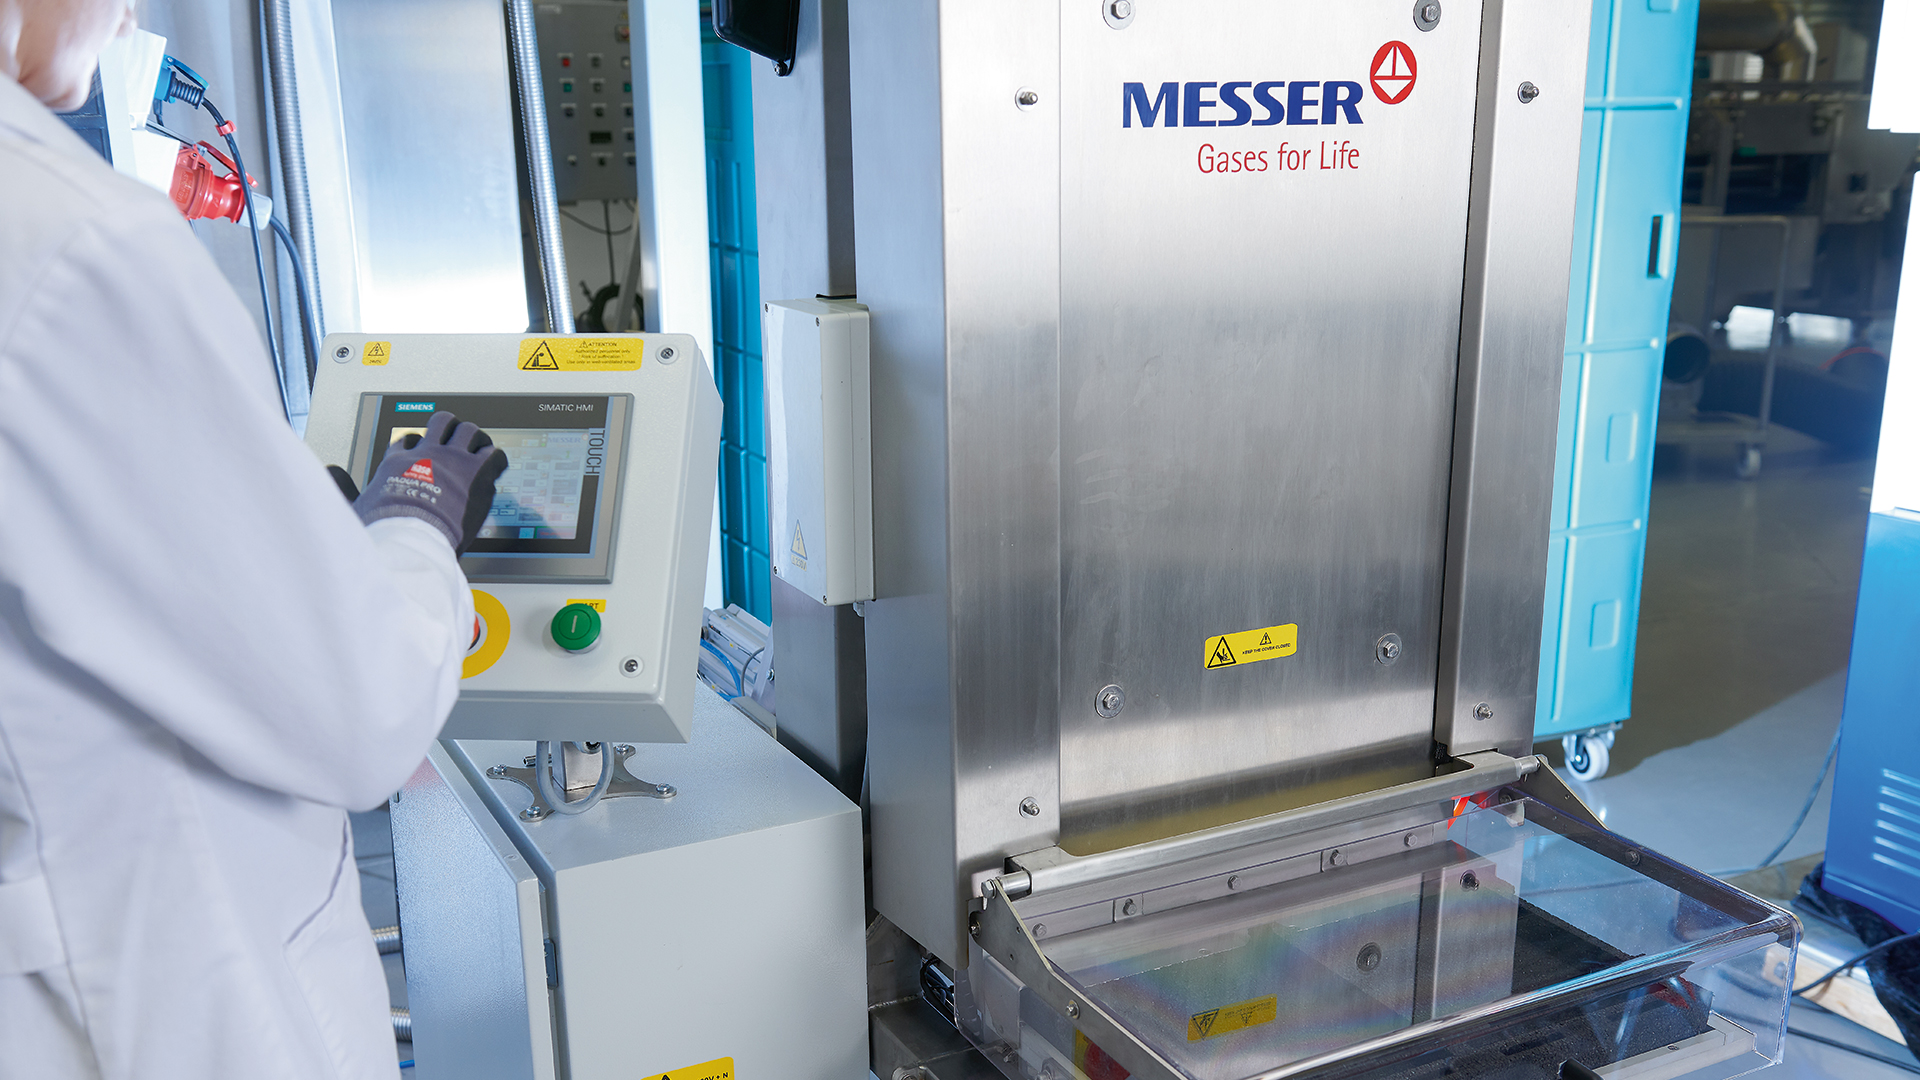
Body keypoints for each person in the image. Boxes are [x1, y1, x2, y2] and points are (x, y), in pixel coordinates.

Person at [0, 2, 507, 1076]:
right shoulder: (70, 243)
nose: (124, 15)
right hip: (160, 1015)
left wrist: (279, 540)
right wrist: (416, 522)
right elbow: (364, 705)